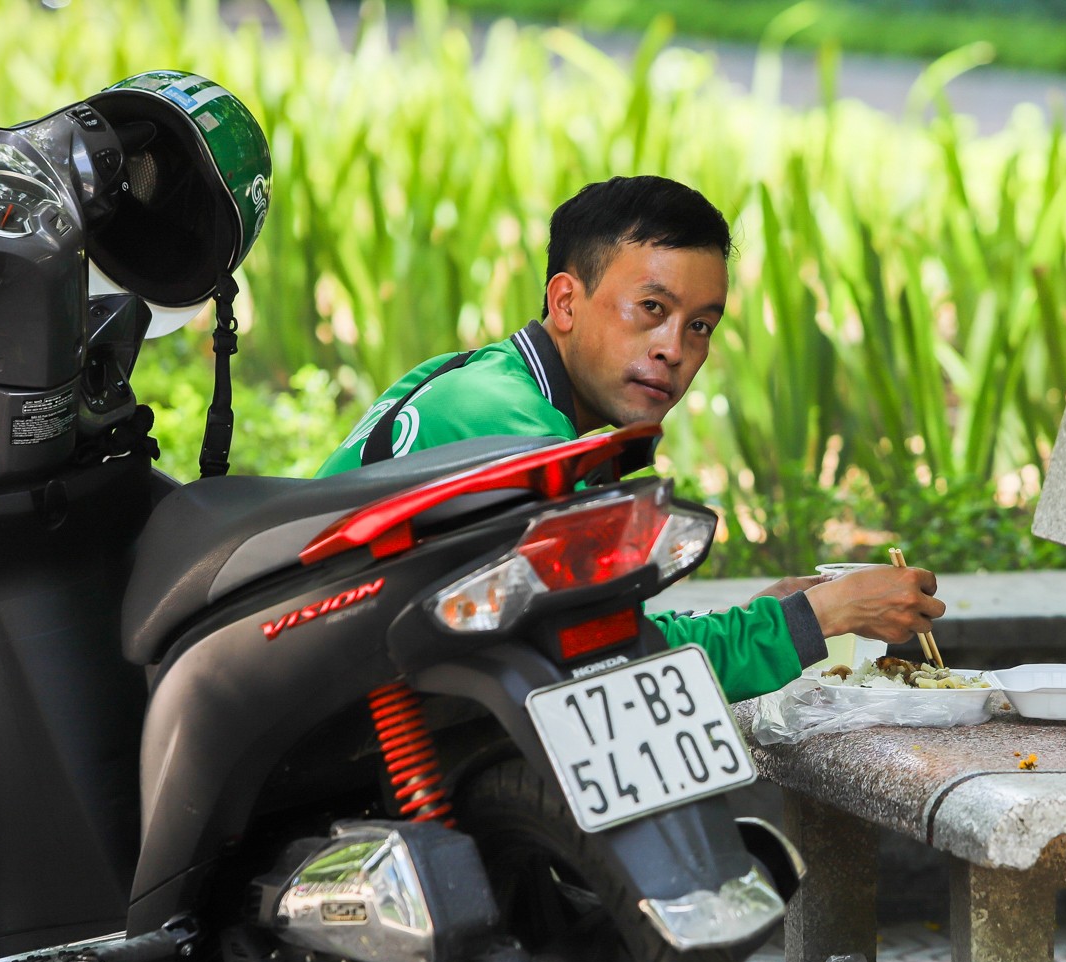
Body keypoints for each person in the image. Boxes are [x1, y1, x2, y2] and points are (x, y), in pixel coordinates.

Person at [317, 175, 943, 702]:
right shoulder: (518, 435)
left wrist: (774, 612)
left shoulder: (480, 378)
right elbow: (603, 671)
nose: (675, 349)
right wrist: (820, 617)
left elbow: (587, 631)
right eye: (650, 308)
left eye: (700, 325)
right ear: (566, 301)